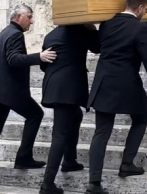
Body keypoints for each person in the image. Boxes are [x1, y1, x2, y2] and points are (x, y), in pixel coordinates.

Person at [86, 0, 147, 194]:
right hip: (126, 83)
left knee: (102, 131)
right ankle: (127, 163)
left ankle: (94, 182)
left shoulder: (106, 24)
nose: (145, 13)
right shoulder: (140, 28)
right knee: (141, 118)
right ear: (139, 8)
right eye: (145, 9)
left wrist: (88, 27)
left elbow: (96, 47)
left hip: (103, 82)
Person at [0, 4, 57, 191]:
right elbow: (13, 59)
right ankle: (23, 157)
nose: (32, 21)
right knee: (35, 114)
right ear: (18, 17)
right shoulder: (15, 34)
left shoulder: (3, 34)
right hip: (6, 91)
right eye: (29, 17)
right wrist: (39, 56)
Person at [38, 24, 101, 194]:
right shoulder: (79, 31)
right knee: (59, 134)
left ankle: (70, 160)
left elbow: (44, 65)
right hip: (68, 88)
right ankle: (47, 183)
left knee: (76, 115)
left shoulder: (51, 34)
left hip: (54, 86)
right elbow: (98, 47)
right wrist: (93, 28)